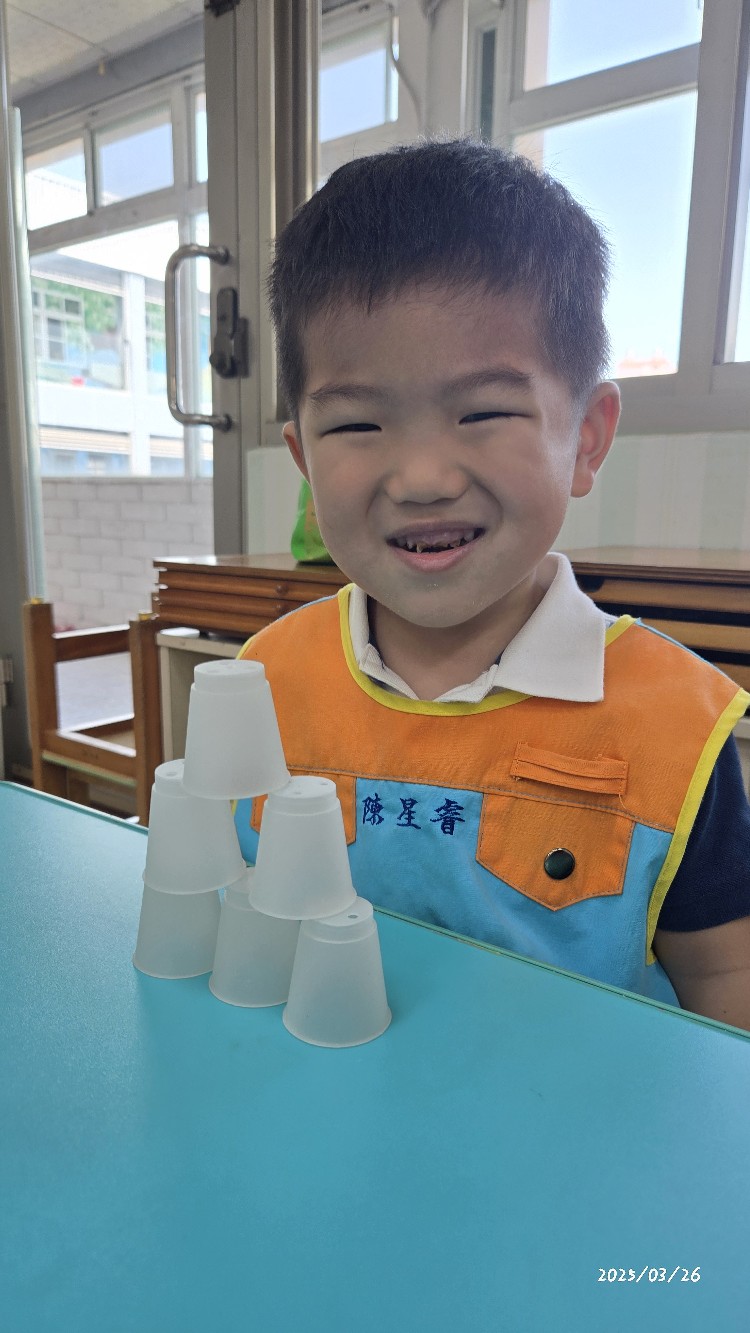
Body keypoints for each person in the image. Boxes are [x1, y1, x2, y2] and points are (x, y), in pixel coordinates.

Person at [234, 138, 750, 1030]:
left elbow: (726, 973)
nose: (422, 477)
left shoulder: (677, 723)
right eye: (357, 424)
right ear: (304, 460)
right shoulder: (264, 680)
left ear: (586, 437)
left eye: (482, 411)